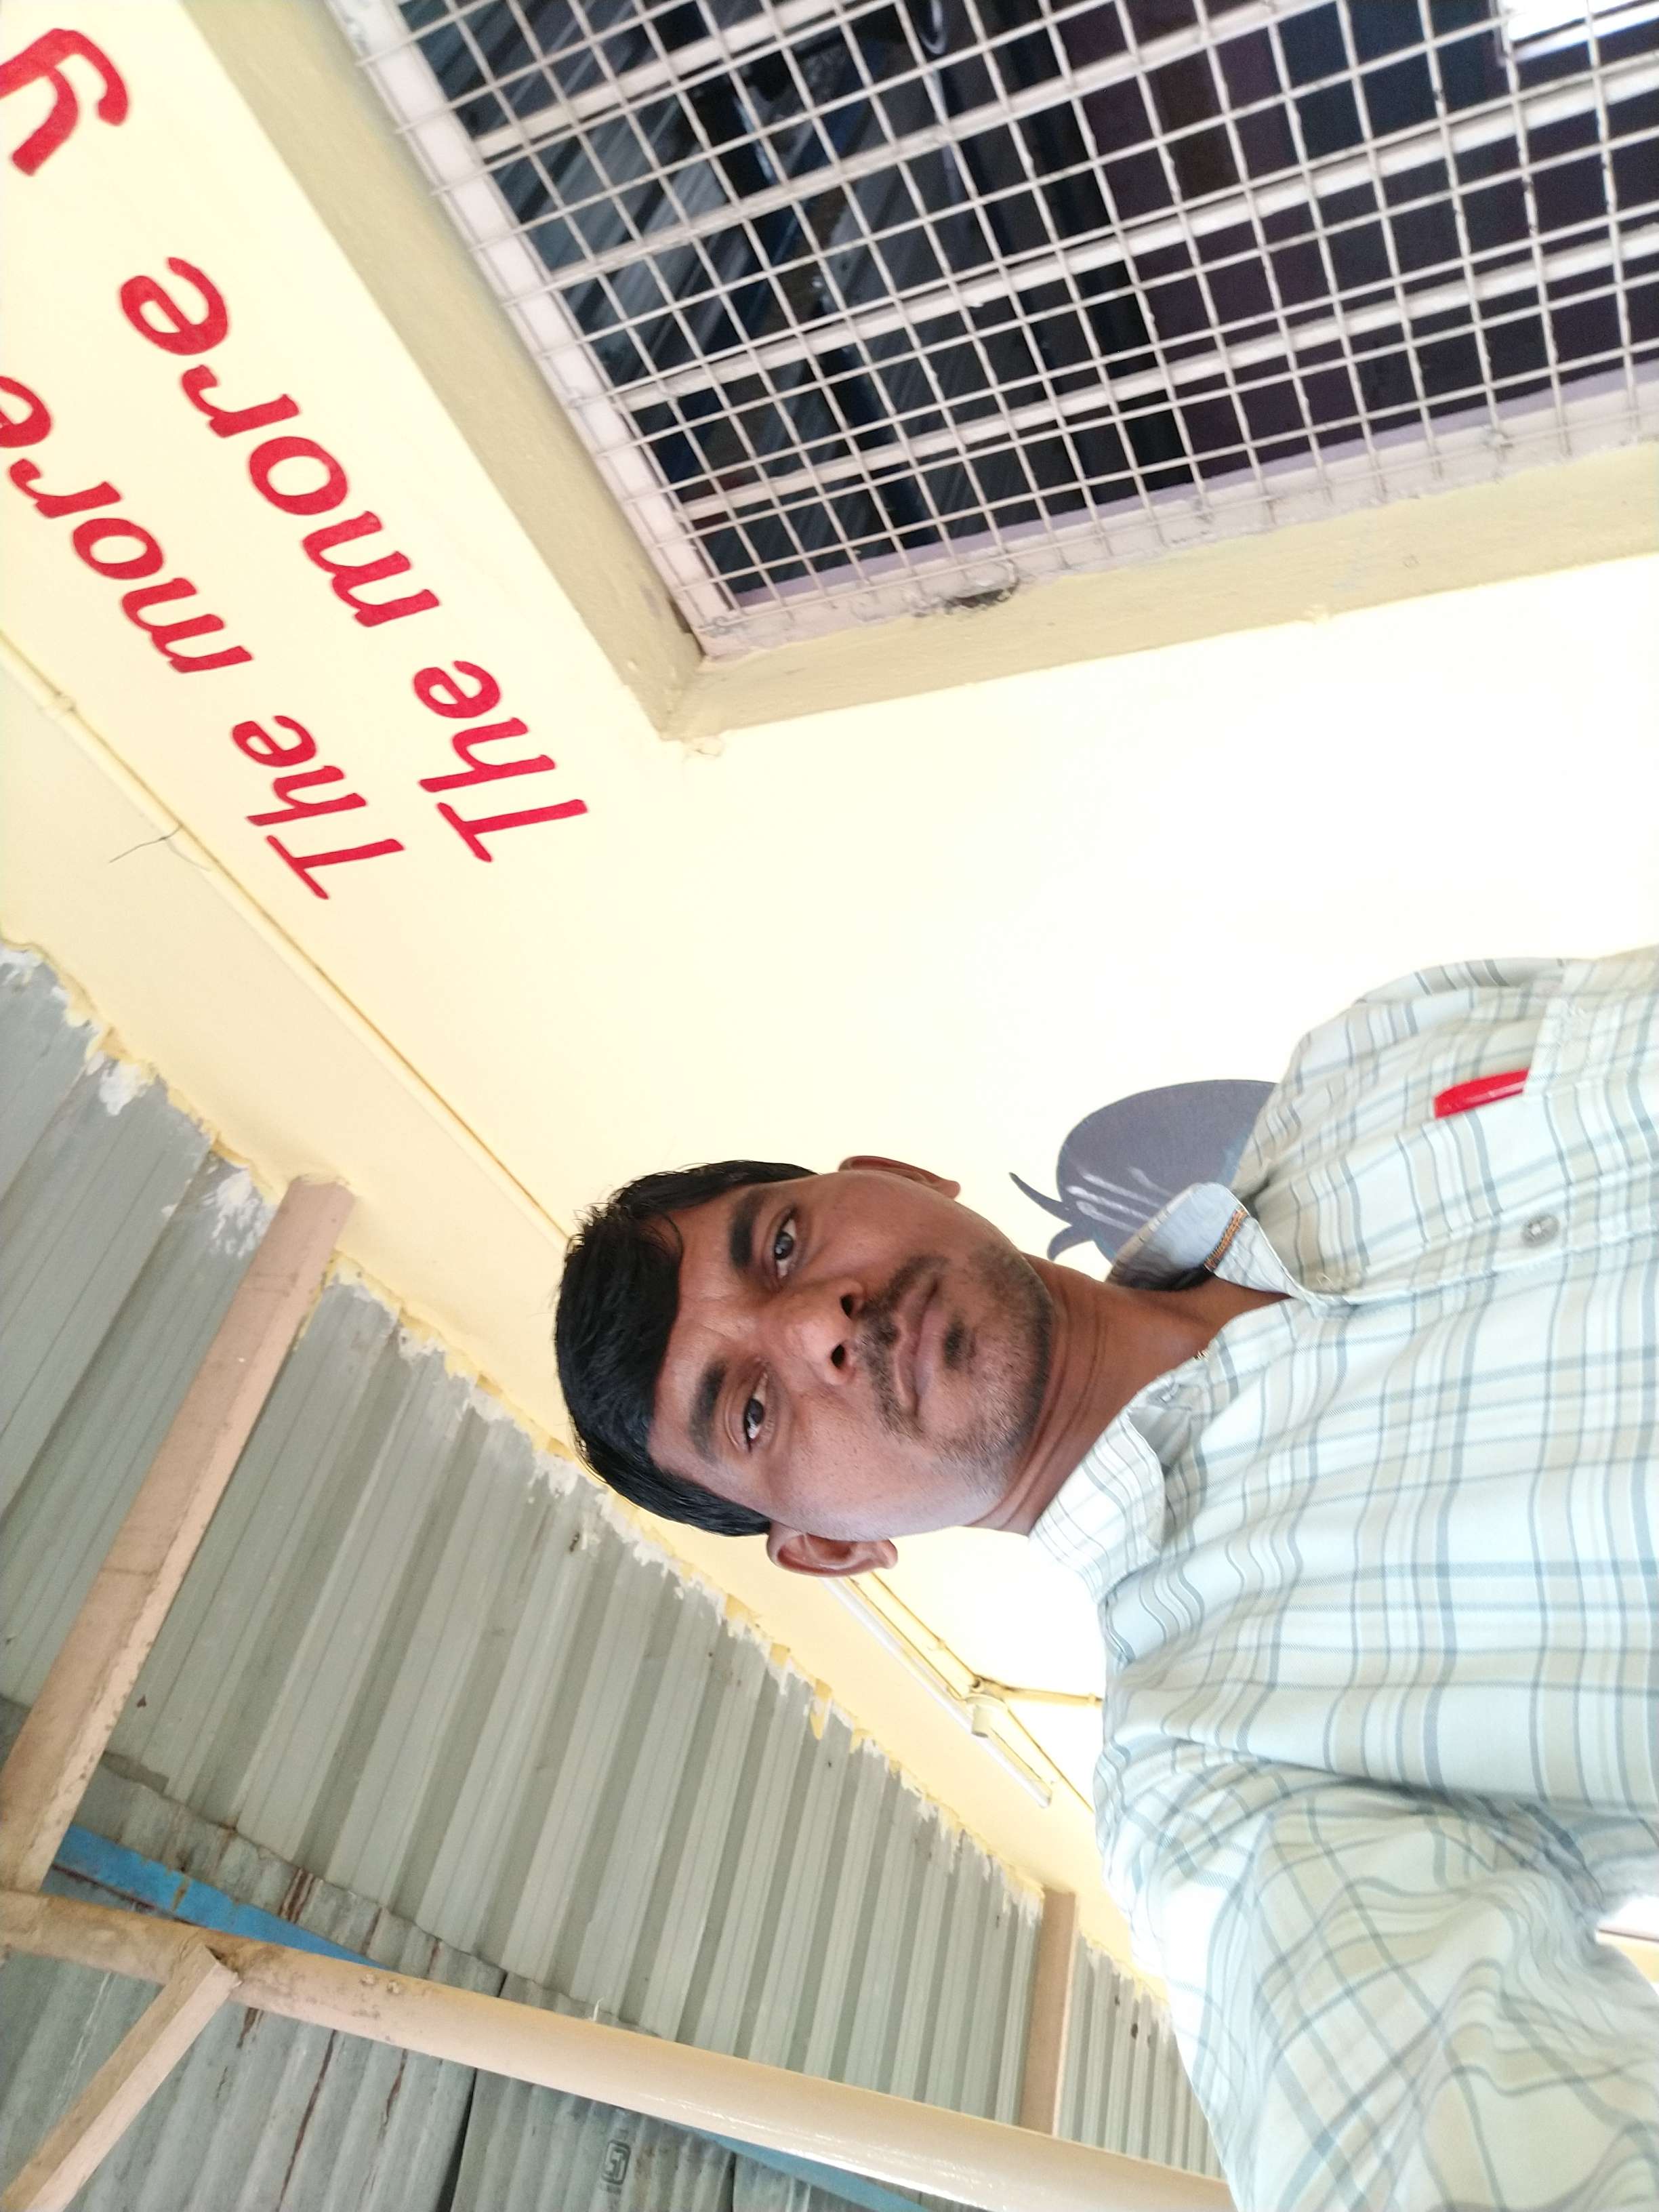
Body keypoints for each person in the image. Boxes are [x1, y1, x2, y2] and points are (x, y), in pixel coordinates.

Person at [554, 947, 1659, 2212]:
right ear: (827, 1548)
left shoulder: (1367, 1061)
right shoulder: (1217, 1773)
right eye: (751, 1411)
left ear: (894, 1176)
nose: (817, 1323)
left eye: (782, 1242)